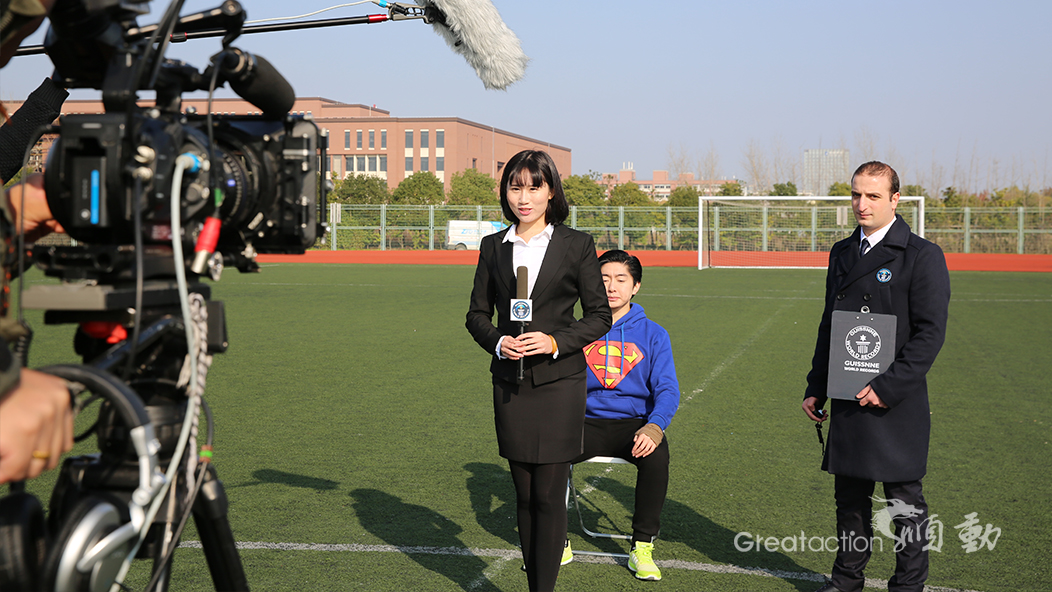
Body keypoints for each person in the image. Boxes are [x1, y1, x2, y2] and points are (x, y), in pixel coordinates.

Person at [466, 149, 610, 592]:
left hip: (559, 384)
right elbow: (476, 315)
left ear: (551, 192)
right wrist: (499, 342)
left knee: (548, 496)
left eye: (534, 187)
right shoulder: (493, 246)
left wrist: (553, 342)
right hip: (511, 386)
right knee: (525, 495)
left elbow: (599, 316)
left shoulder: (577, 244)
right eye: (515, 187)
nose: (523, 197)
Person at [802, 161, 950, 592]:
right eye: (856, 194)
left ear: (895, 199)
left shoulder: (922, 255)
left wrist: (886, 388)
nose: (861, 204)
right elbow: (830, 325)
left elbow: (930, 334)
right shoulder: (842, 252)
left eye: (873, 196)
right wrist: (817, 385)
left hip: (895, 402)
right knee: (849, 497)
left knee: (904, 501)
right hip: (848, 393)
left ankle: (908, 585)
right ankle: (846, 580)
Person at [569, 249, 679, 581]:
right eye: (603, 279)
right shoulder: (575, 330)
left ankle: (642, 545)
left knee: (656, 457)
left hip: (633, 426)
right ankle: (554, 539)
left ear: (636, 286)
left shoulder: (654, 334)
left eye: (621, 279)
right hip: (583, 423)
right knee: (548, 453)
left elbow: (667, 389)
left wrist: (655, 427)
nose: (611, 287)